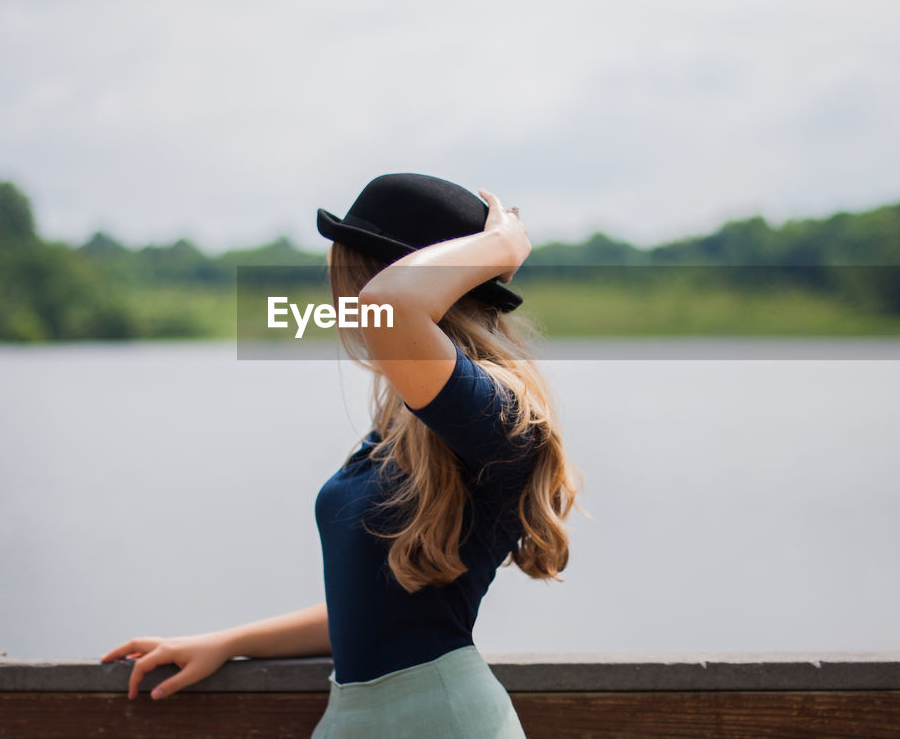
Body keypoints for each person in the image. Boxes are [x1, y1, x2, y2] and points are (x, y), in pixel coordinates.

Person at [101, 172, 580, 738]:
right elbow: (377, 610)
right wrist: (230, 642)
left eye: (345, 266)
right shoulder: (406, 425)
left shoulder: (500, 414)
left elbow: (392, 310)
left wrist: (506, 243)